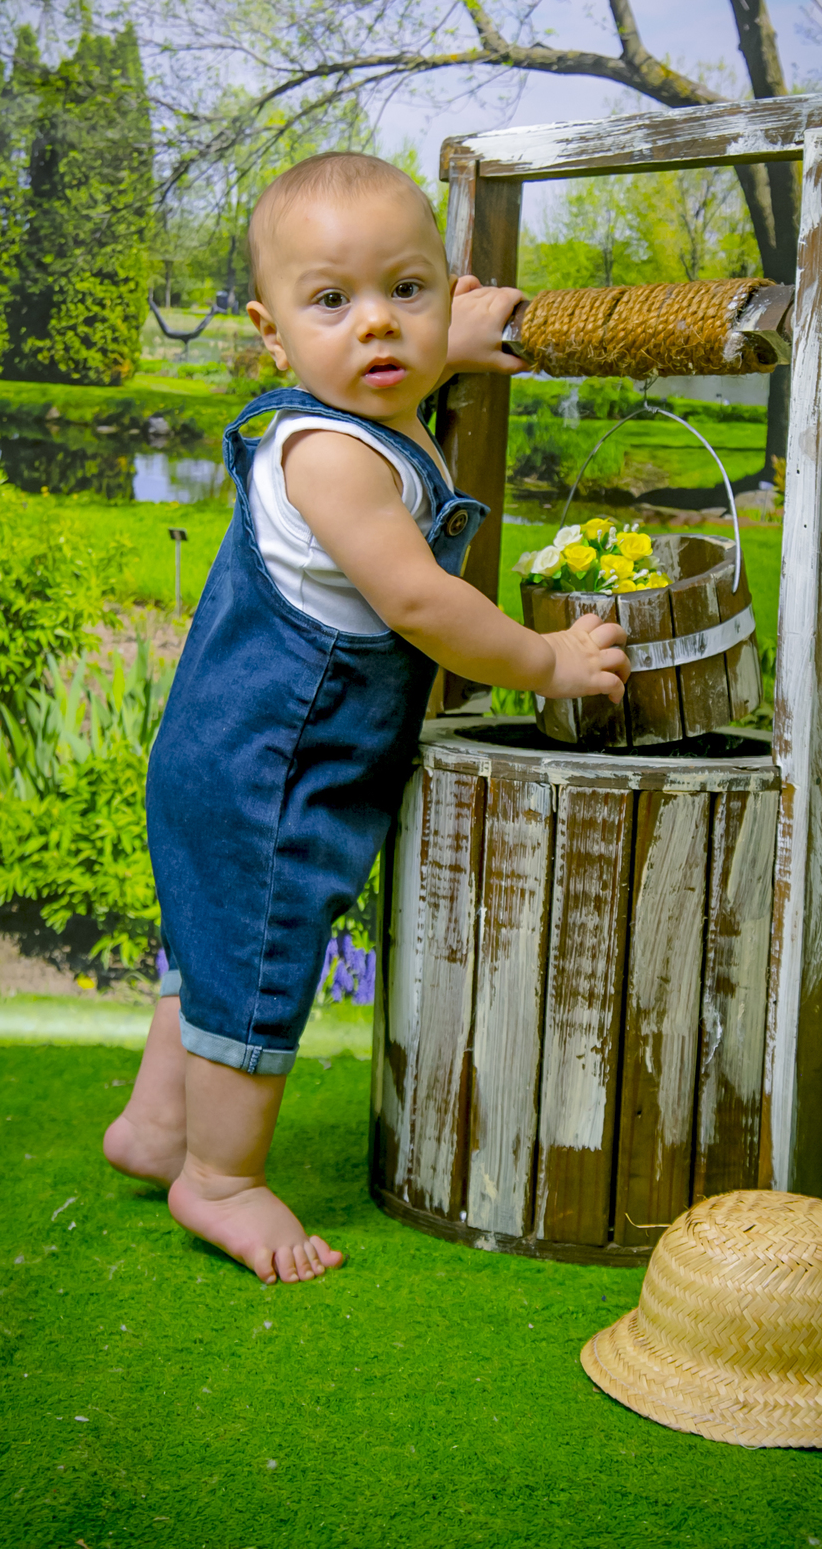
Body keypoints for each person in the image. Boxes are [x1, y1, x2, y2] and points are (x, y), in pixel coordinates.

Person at [103, 153, 630, 1286]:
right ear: (273, 335)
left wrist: (455, 345)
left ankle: (156, 1128)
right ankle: (220, 1180)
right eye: (333, 300)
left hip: (227, 754)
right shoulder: (334, 459)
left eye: (408, 290)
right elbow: (418, 602)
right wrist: (545, 660)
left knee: (218, 942)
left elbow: (395, 380)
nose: (378, 324)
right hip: (273, 770)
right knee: (261, 955)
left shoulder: (355, 413)